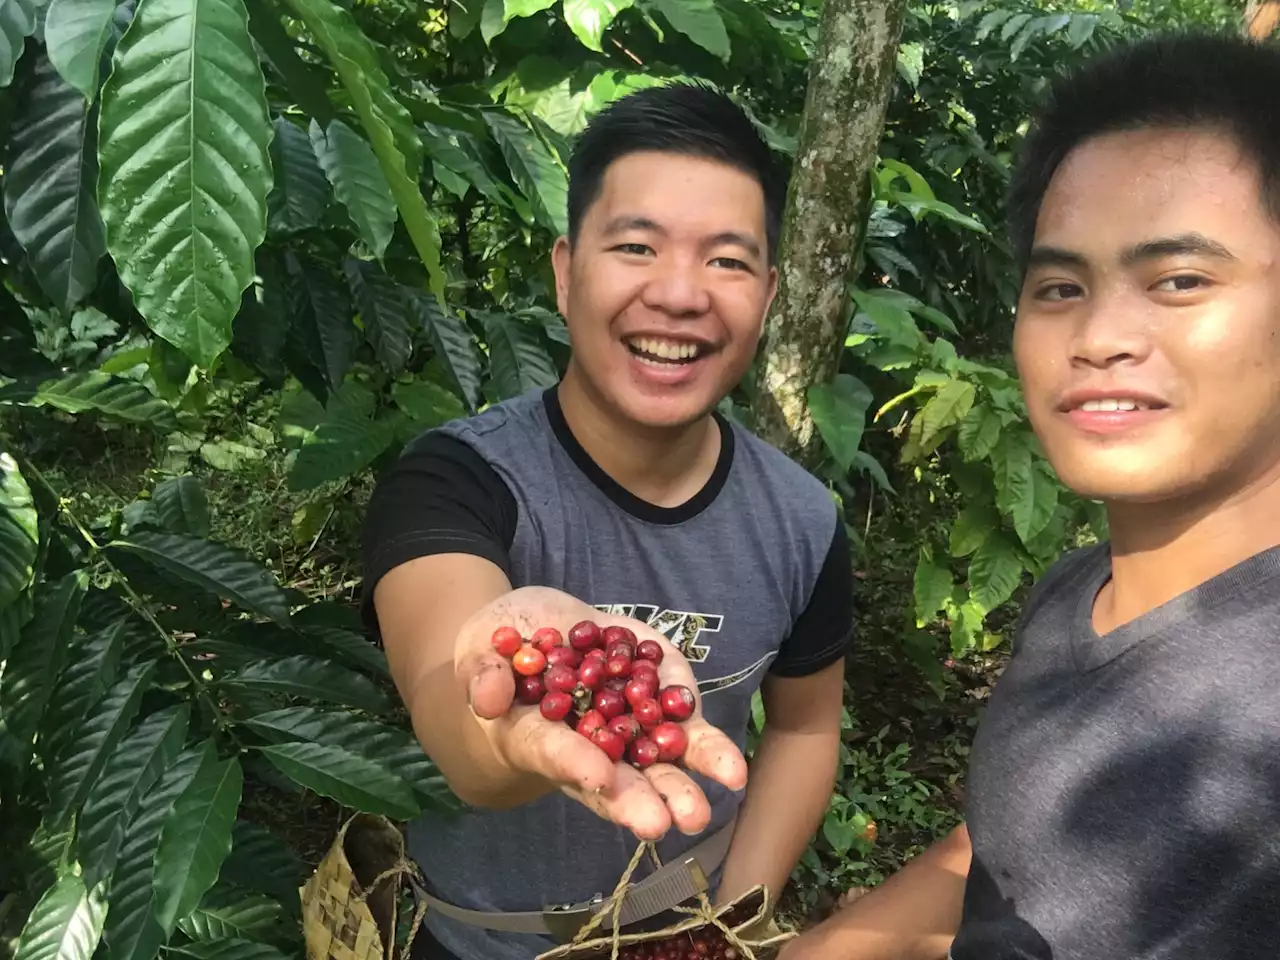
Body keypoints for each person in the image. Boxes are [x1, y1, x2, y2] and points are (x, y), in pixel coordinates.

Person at [779, 29, 1280, 960]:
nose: (1100, 334)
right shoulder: (1077, 592)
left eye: (1178, 279)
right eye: (1059, 286)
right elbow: (1010, 847)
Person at [361, 81, 855, 960]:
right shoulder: (457, 480)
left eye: (727, 262)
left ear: (771, 295)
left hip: (683, 925)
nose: (678, 294)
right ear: (564, 271)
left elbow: (807, 726)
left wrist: (731, 921)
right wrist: (501, 713)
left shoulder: (802, 518)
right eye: (636, 246)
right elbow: (452, 697)